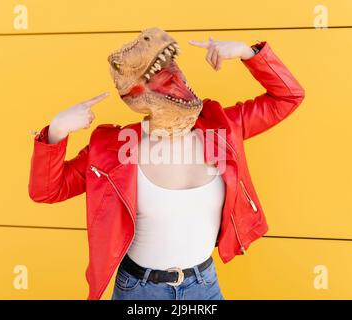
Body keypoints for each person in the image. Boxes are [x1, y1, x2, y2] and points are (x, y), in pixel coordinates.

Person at [28, 27, 305, 300]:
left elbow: (289, 96)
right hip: (139, 290)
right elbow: (48, 190)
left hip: (204, 286)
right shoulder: (113, 149)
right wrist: (57, 130)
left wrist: (246, 52)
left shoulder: (223, 128)